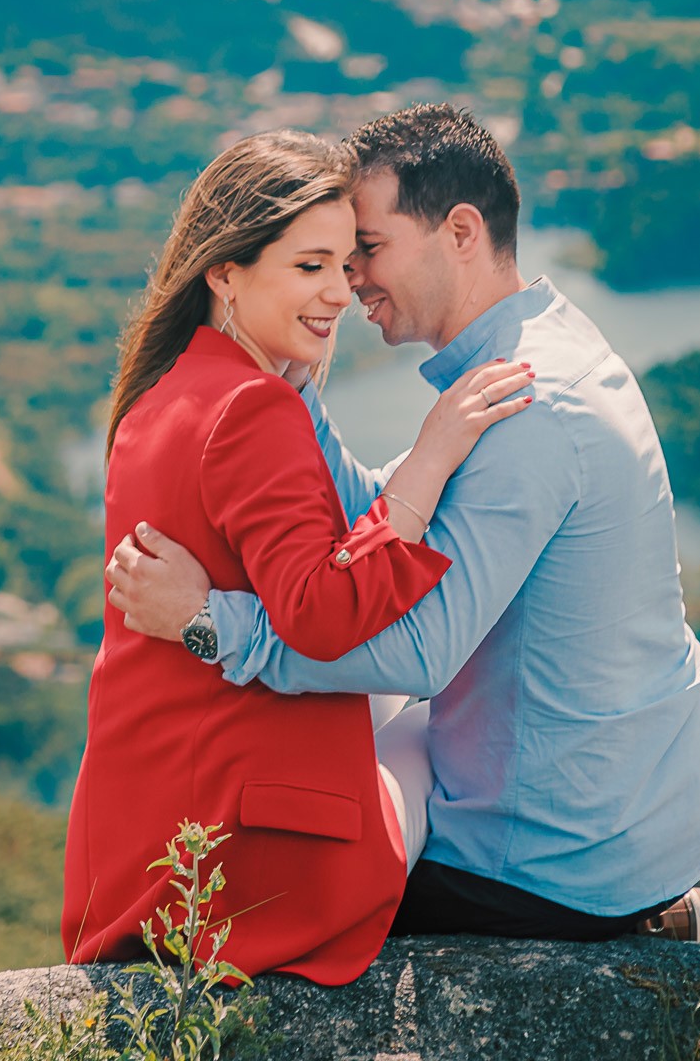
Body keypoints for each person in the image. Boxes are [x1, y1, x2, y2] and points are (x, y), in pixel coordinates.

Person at [107, 104, 700, 943]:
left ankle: (645, 929)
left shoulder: (528, 408)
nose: (351, 279)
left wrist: (208, 624)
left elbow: (418, 652)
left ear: (460, 230)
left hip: (550, 858)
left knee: (278, 897)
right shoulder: (535, 350)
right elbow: (389, 521)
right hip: (631, 806)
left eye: (369, 249)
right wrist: (298, 396)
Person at [62, 128, 535, 986]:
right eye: (309, 266)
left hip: (144, 855)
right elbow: (320, 617)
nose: (341, 294)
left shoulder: (158, 394)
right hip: (255, 866)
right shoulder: (253, 409)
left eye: (348, 265)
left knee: (400, 704)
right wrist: (429, 463)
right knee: (450, 726)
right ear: (226, 271)